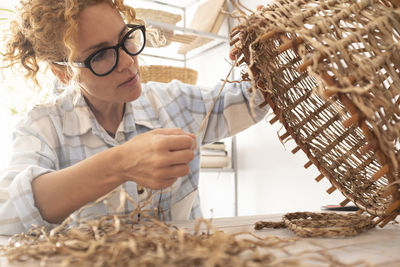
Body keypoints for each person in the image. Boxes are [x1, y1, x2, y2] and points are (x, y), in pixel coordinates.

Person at [0, 0, 268, 235]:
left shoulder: (171, 103)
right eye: (101, 54)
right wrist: (121, 163)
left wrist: (266, 49)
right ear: (65, 73)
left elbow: (253, 98)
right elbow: (7, 214)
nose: (128, 61)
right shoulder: (43, 126)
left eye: (125, 38)